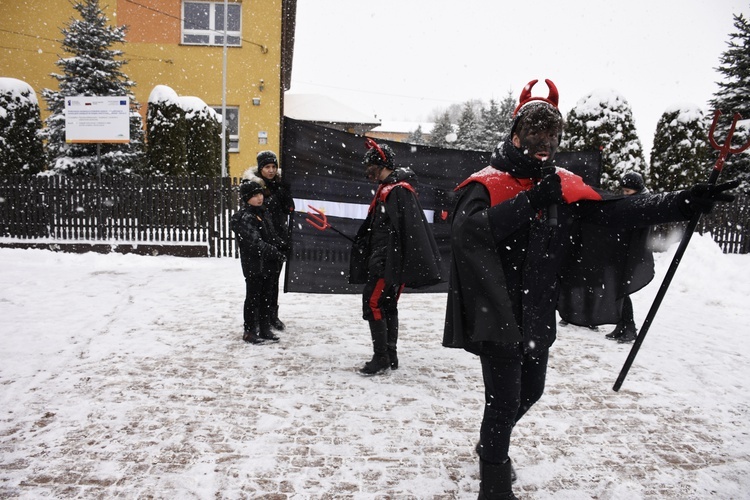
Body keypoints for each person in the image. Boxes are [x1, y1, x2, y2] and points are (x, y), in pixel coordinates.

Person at [442, 79, 738, 499]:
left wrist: (682, 201)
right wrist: (529, 201)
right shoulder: (486, 183)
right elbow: (468, 233)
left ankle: (492, 443)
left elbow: (615, 210)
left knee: (532, 391)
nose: (543, 143)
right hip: (498, 310)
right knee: (504, 401)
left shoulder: (563, 184)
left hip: (538, 311)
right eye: (534, 132)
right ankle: (494, 477)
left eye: (551, 134)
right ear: (515, 134)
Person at [350, 139, 442, 376]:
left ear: (380, 163)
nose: (366, 170)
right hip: (388, 262)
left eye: (370, 164)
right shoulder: (392, 190)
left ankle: (382, 357)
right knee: (387, 305)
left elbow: (403, 234)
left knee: (373, 303)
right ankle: (390, 355)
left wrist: (385, 262)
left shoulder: (397, 191)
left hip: (388, 264)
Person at [230, 176, 286, 345]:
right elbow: (255, 243)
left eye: (260, 193)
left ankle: (264, 328)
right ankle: (249, 331)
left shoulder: (263, 213)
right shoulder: (245, 217)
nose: (259, 197)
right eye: (254, 195)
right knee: (253, 297)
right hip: (254, 266)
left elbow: (271, 236)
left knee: (266, 297)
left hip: (268, 265)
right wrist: (275, 252)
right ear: (247, 198)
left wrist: (283, 245)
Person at [247, 150, 295, 332]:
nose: (271, 170)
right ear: (260, 168)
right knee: (260, 282)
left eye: (274, 166)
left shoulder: (279, 186)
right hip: (261, 240)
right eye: (267, 167)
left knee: (274, 280)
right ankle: (259, 317)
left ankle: (272, 316)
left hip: (278, 238)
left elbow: (289, 209)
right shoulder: (253, 187)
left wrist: (284, 192)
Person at [605, 171, 652, 344]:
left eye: (628, 191)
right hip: (623, 252)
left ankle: (629, 328)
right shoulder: (635, 201)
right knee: (619, 290)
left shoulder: (644, 203)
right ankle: (622, 325)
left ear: (637, 189)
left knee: (623, 290)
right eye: (623, 191)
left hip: (631, 254)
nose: (625, 194)